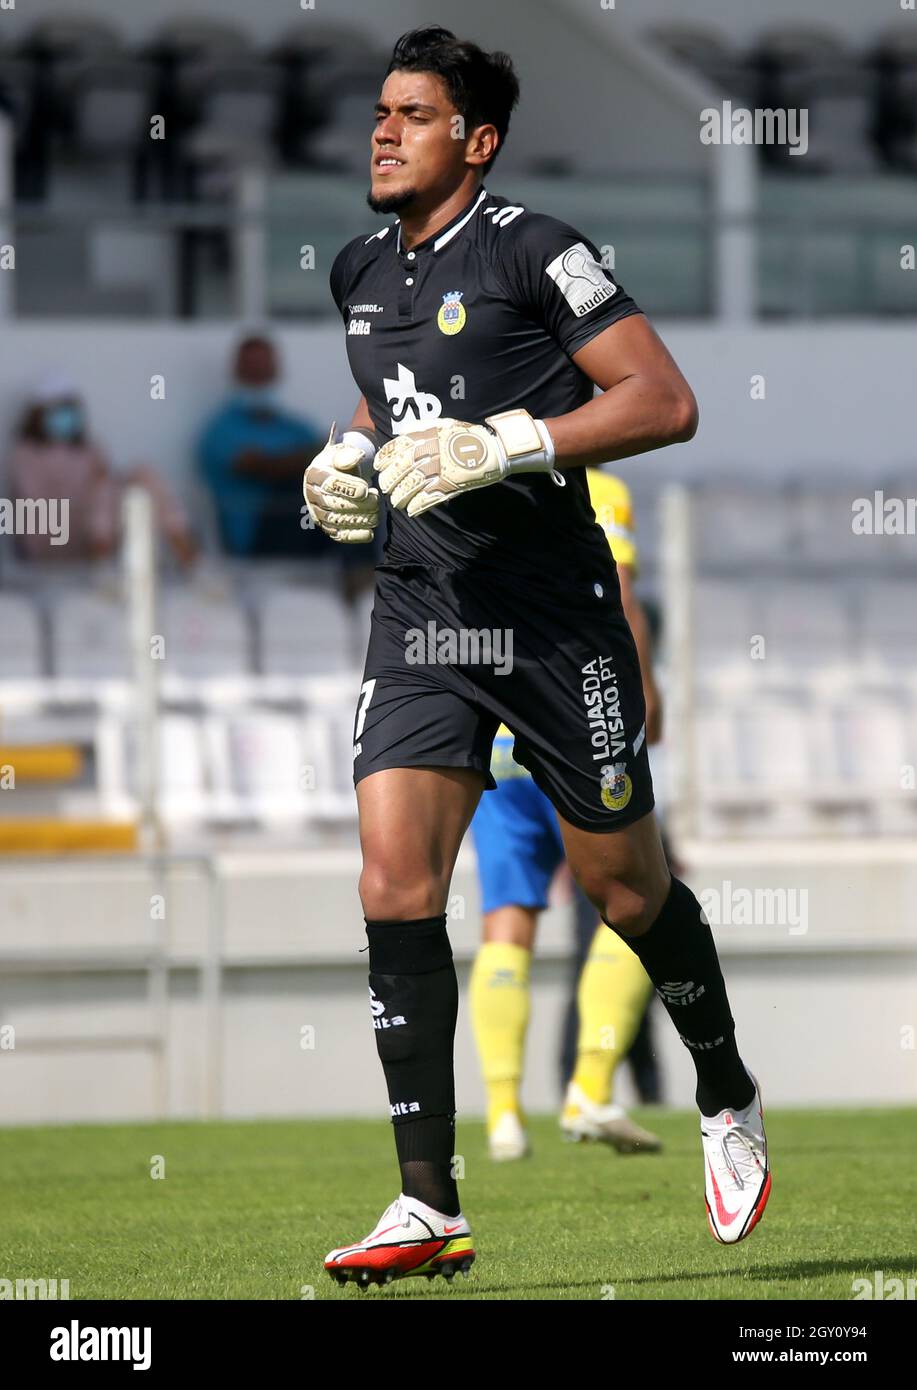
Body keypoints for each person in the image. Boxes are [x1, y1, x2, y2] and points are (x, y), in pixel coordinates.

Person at [306, 26, 770, 1288]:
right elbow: (385, 398)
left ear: (477, 138)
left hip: (555, 623)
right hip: (419, 617)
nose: (383, 131)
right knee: (395, 883)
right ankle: (427, 1203)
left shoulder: (534, 248)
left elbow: (661, 402)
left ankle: (722, 1092)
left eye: (413, 113)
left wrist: (505, 444)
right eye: (379, 112)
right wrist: (344, 461)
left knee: (624, 891)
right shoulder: (356, 266)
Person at [469, 467, 662, 1162]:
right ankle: (589, 1087)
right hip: (572, 720)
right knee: (638, 894)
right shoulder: (599, 487)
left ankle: (501, 1116)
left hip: (493, 734)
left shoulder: (474, 479)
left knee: (505, 921)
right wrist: (645, 690)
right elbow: (620, 596)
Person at [7, 372, 196, 566]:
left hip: (98, 531)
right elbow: (35, 509)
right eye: (56, 410)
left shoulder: (90, 449)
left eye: (68, 408)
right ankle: (101, 572)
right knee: (103, 494)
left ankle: (189, 559)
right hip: (54, 536)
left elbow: (106, 484)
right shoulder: (26, 454)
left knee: (143, 474)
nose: (64, 416)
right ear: (38, 414)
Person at [198, 334, 327, 559]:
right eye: (252, 370)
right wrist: (311, 456)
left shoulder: (295, 427)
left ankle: (365, 576)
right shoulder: (221, 430)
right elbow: (261, 467)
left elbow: (326, 458)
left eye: (264, 369)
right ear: (237, 372)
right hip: (254, 539)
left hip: (309, 534)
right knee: (301, 485)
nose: (258, 377)